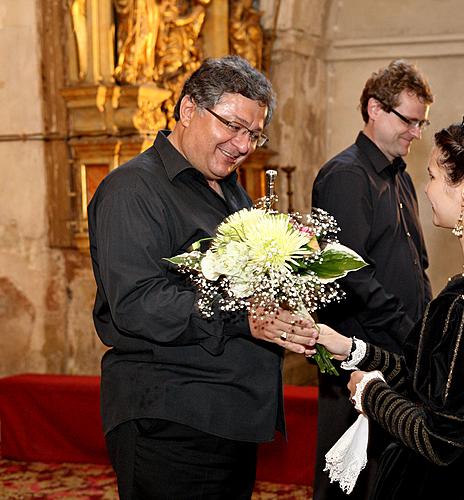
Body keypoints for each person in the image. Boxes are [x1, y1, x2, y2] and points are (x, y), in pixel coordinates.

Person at [88, 55, 318, 499]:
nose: (243, 144)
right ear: (189, 109)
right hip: (172, 418)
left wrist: (287, 303)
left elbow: (247, 281)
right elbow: (138, 303)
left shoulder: (227, 187)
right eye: (232, 126)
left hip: (228, 413)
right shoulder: (132, 189)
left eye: (254, 133)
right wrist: (243, 314)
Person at [317, 101, 464, 499]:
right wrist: (348, 348)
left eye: (432, 176)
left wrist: (368, 394)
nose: (425, 188)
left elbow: (440, 440)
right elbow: (430, 377)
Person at [311, 59, 434, 499]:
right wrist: (410, 334)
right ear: (374, 109)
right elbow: (351, 275)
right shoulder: (346, 175)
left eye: (421, 123)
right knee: (350, 483)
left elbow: (415, 268)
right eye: (409, 120)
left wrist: (424, 332)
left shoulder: (400, 178)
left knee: (390, 480)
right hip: (358, 356)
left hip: (397, 353)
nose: (416, 133)